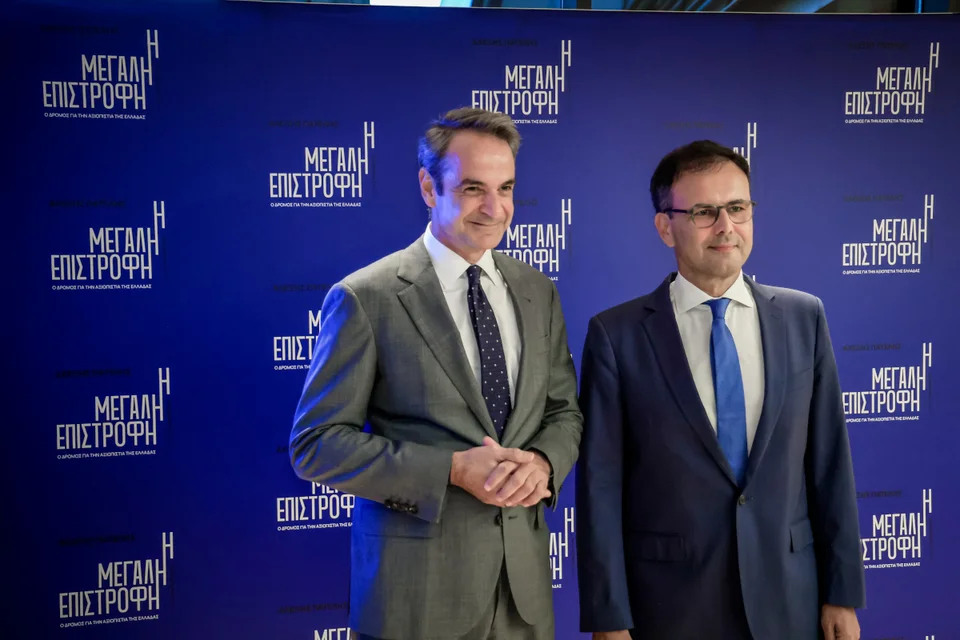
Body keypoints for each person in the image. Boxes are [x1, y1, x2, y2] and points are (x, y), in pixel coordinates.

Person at [290, 107, 583, 640]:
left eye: (506, 188)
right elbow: (316, 445)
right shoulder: (367, 297)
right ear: (429, 187)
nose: (495, 208)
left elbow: (564, 412)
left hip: (524, 599)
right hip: (414, 601)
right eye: (473, 189)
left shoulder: (538, 291)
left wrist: (544, 463)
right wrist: (449, 470)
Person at [575, 140, 865, 640]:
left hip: (789, 599)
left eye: (738, 208)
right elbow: (600, 487)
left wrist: (842, 593)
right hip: (669, 605)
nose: (726, 226)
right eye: (704, 212)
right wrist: (608, 618)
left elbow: (830, 466)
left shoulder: (804, 318)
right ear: (665, 226)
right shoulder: (616, 336)